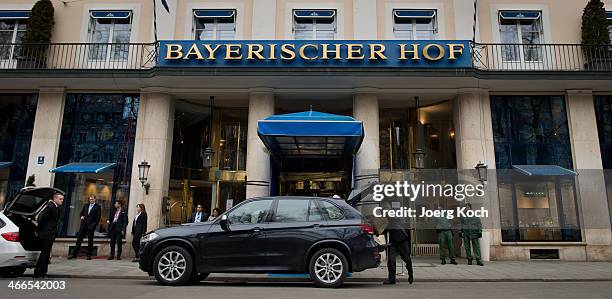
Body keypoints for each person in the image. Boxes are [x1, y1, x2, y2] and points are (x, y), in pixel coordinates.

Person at [33, 192, 64, 279]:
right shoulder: (50, 207)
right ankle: (40, 273)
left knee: (46, 254)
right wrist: (38, 230)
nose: (62, 201)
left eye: (62, 199)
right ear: (55, 199)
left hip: (50, 234)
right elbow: (42, 219)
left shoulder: (56, 207)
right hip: (46, 234)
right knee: (45, 254)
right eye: (60, 199)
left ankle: (40, 273)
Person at [382, 217, 414, 285]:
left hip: (402, 240)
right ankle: (392, 279)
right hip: (393, 242)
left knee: (407, 259)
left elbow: (385, 229)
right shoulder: (389, 220)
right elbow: (385, 230)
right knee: (391, 259)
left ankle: (410, 275)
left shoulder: (394, 219)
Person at [69, 194, 101, 260]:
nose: (91, 200)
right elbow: (81, 213)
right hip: (83, 225)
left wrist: (93, 226)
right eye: (90, 199)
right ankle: (74, 254)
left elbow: (98, 218)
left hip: (90, 227)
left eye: (92, 199)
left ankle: (89, 255)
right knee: (79, 240)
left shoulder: (97, 207)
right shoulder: (86, 205)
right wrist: (81, 216)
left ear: (95, 199)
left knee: (90, 241)